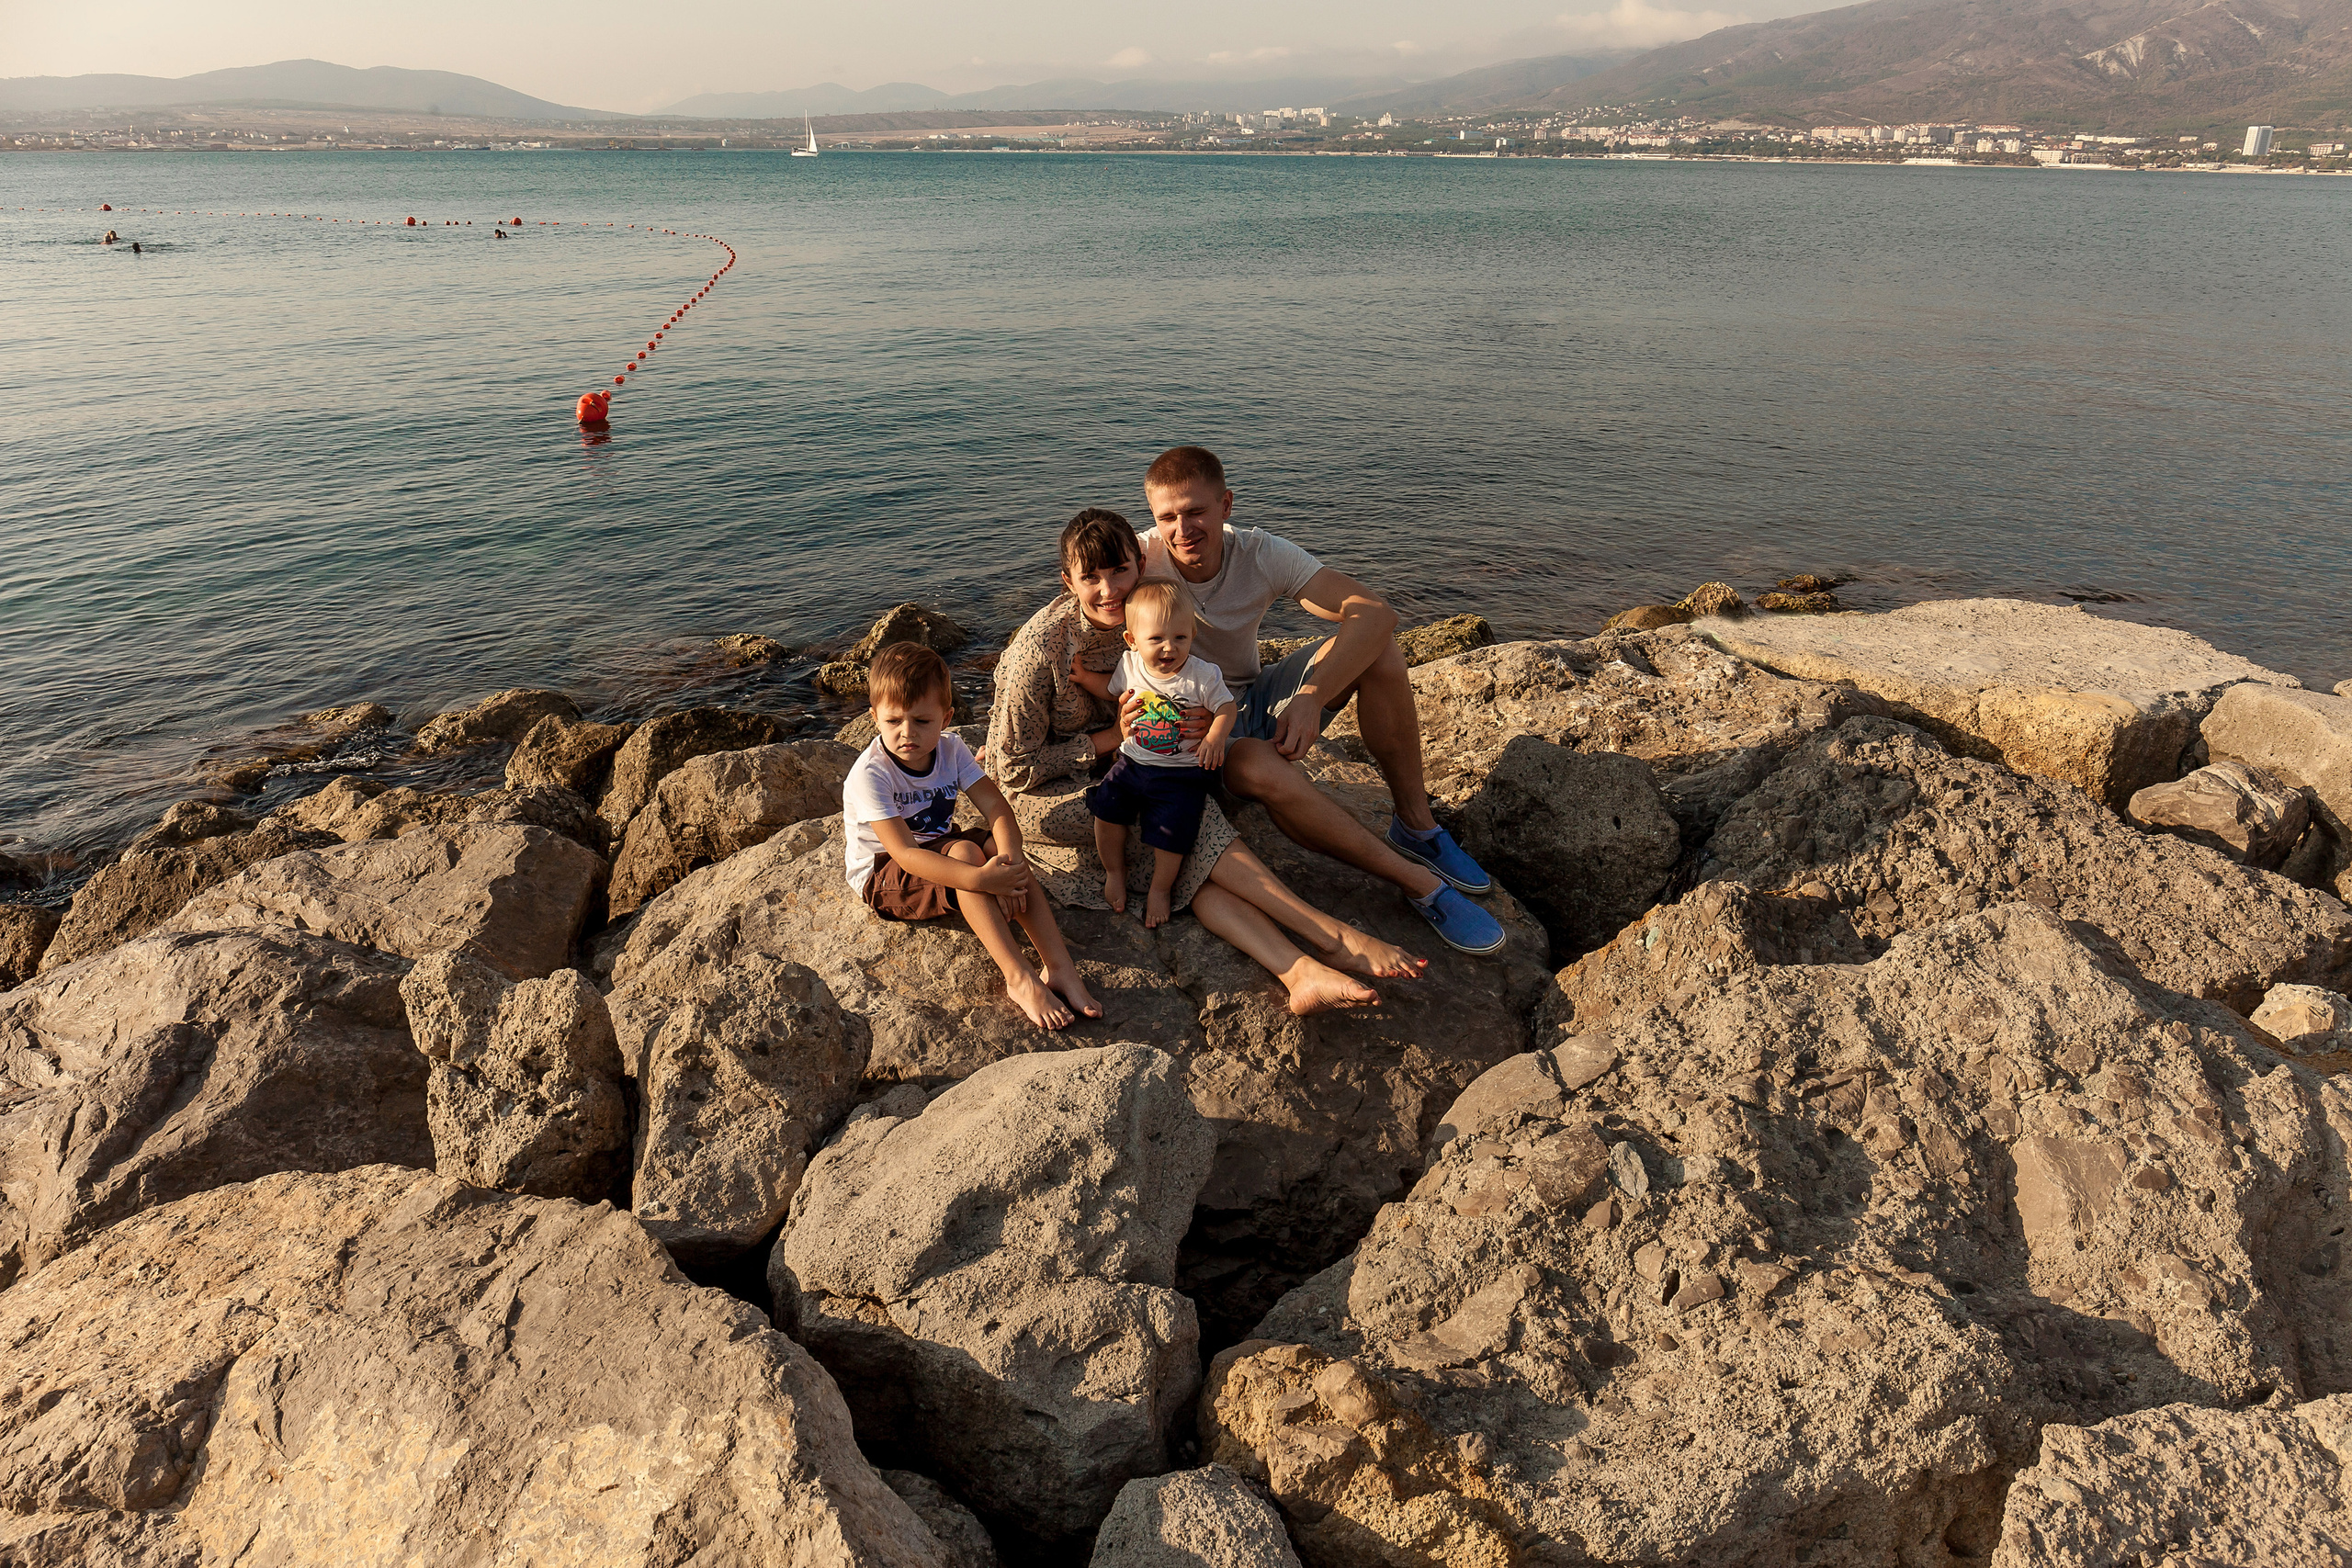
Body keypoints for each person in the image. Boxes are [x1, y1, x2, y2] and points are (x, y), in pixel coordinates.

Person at [986, 508, 1428, 1016]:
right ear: (1068, 581)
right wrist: (1110, 737)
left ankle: (1298, 971)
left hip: (1137, 766)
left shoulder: (1150, 619)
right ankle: (1330, 936)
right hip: (1049, 795)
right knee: (1194, 820)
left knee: (1188, 859)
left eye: (1119, 572)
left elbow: (1191, 686)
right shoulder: (1040, 650)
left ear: (1142, 565)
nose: (1108, 590)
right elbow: (1010, 769)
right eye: (1091, 578)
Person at [1136, 446, 1506, 955]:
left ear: (1225, 504)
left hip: (1250, 698)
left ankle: (1417, 828)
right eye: (1167, 517)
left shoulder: (1259, 553)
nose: (1182, 529)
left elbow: (1374, 612)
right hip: (1195, 739)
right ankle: (1418, 884)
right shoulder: (1139, 560)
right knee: (1261, 766)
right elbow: (1081, 606)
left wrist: (1311, 696)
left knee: (1380, 650)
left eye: (1196, 511)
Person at [844, 641, 1100, 1032]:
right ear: (874, 717)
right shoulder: (871, 774)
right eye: (893, 721)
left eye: (922, 721)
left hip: (937, 844)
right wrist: (982, 881)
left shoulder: (951, 749)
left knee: (1000, 848)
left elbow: (998, 810)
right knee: (965, 854)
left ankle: (1060, 967)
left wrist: (1010, 876)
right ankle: (1020, 978)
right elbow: (906, 854)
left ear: (946, 718)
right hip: (885, 873)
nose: (907, 733)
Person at [1070, 577, 1236, 927]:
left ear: (1192, 634)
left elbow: (1226, 708)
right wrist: (1085, 678)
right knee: (1106, 811)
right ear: (1132, 640)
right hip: (1131, 764)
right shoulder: (1130, 666)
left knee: (1173, 833)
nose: (1169, 648)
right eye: (1156, 638)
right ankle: (1115, 871)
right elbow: (1110, 689)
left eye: (1180, 637)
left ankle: (1161, 888)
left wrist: (1215, 738)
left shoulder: (1202, 676)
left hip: (1181, 773)